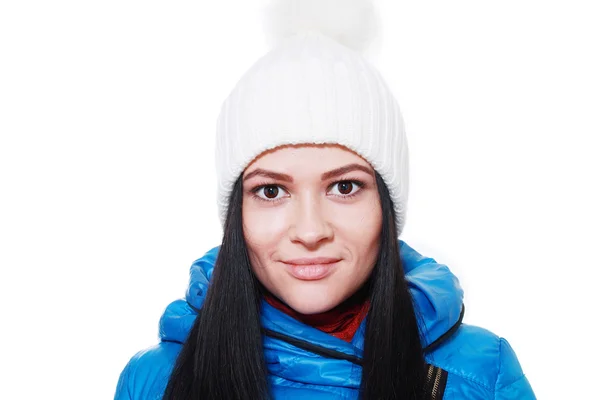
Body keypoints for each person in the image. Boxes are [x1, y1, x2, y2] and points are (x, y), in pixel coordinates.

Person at [114, 0, 536, 398]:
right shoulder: (153, 381)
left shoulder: (482, 376)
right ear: (236, 213)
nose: (311, 230)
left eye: (345, 187)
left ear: (386, 207)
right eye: (271, 191)